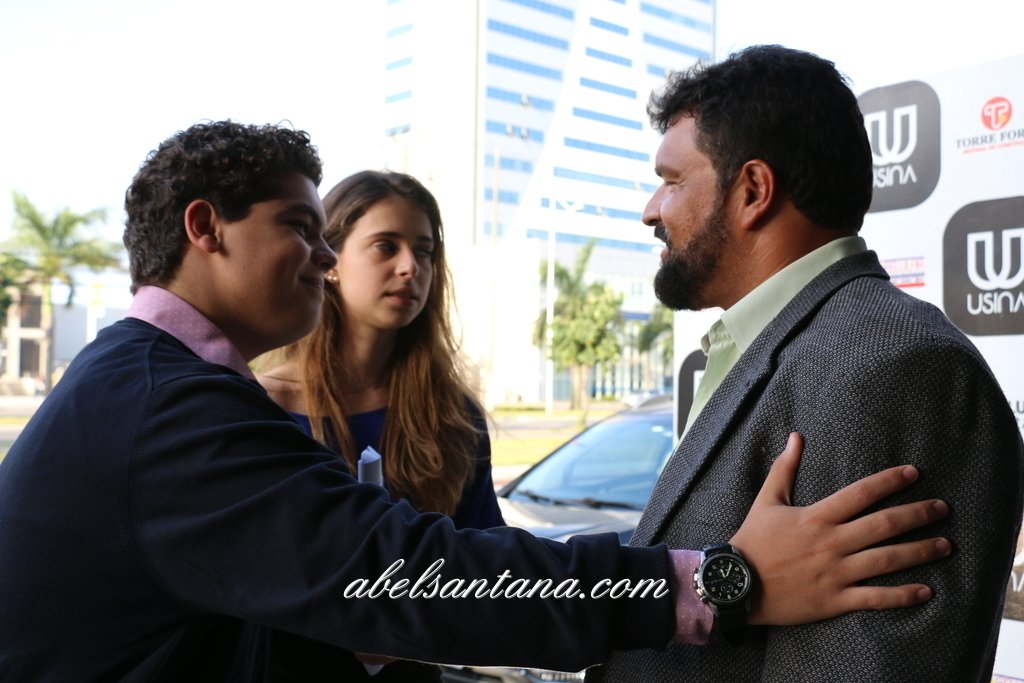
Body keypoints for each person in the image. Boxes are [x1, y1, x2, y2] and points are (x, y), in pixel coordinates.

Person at [0, 120, 951, 682]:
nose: (326, 260)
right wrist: (720, 582)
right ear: (204, 228)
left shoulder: (148, 382)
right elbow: (418, 578)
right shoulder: (170, 410)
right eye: (302, 228)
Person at [590, 45, 1024, 683]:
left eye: (673, 181)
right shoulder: (779, 346)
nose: (652, 209)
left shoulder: (894, 369)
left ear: (753, 191)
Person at [258, 171, 504, 681]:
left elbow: (484, 561)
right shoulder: (261, 406)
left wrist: (426, 613)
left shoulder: (451, 413)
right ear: (329, 259)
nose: (410, 266)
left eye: (425, 251)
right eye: (385, 246)